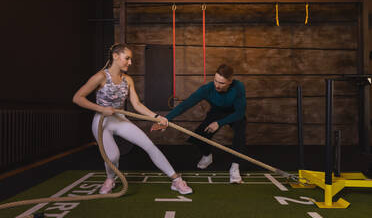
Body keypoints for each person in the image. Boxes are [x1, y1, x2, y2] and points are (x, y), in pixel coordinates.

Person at [73, 43, 192, 195]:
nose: (130, 62)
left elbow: (136, 104)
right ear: (115, 56)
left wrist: (157, 117)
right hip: (101, 121)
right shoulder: (100, 77)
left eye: (130, 59)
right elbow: (77, 98)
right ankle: (110, 179)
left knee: (149, 145)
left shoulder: (127, 80)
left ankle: (176, 180)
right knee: (113, 155)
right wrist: (102, 109)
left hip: (119, 119)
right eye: (127, 58)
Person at [152, 64, 246, 183]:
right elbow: (186, 105)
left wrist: (219, 123)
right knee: (199, 136)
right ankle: (207, 156)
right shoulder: (207, 88)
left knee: (240, 135)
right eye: (215, 81)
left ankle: (235, 167)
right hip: (216, 112)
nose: (217, 85)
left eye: (221, 83)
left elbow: (240, 113)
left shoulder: (238, 87)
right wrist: (166, 119)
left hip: (234, 113)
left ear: (230, 81)